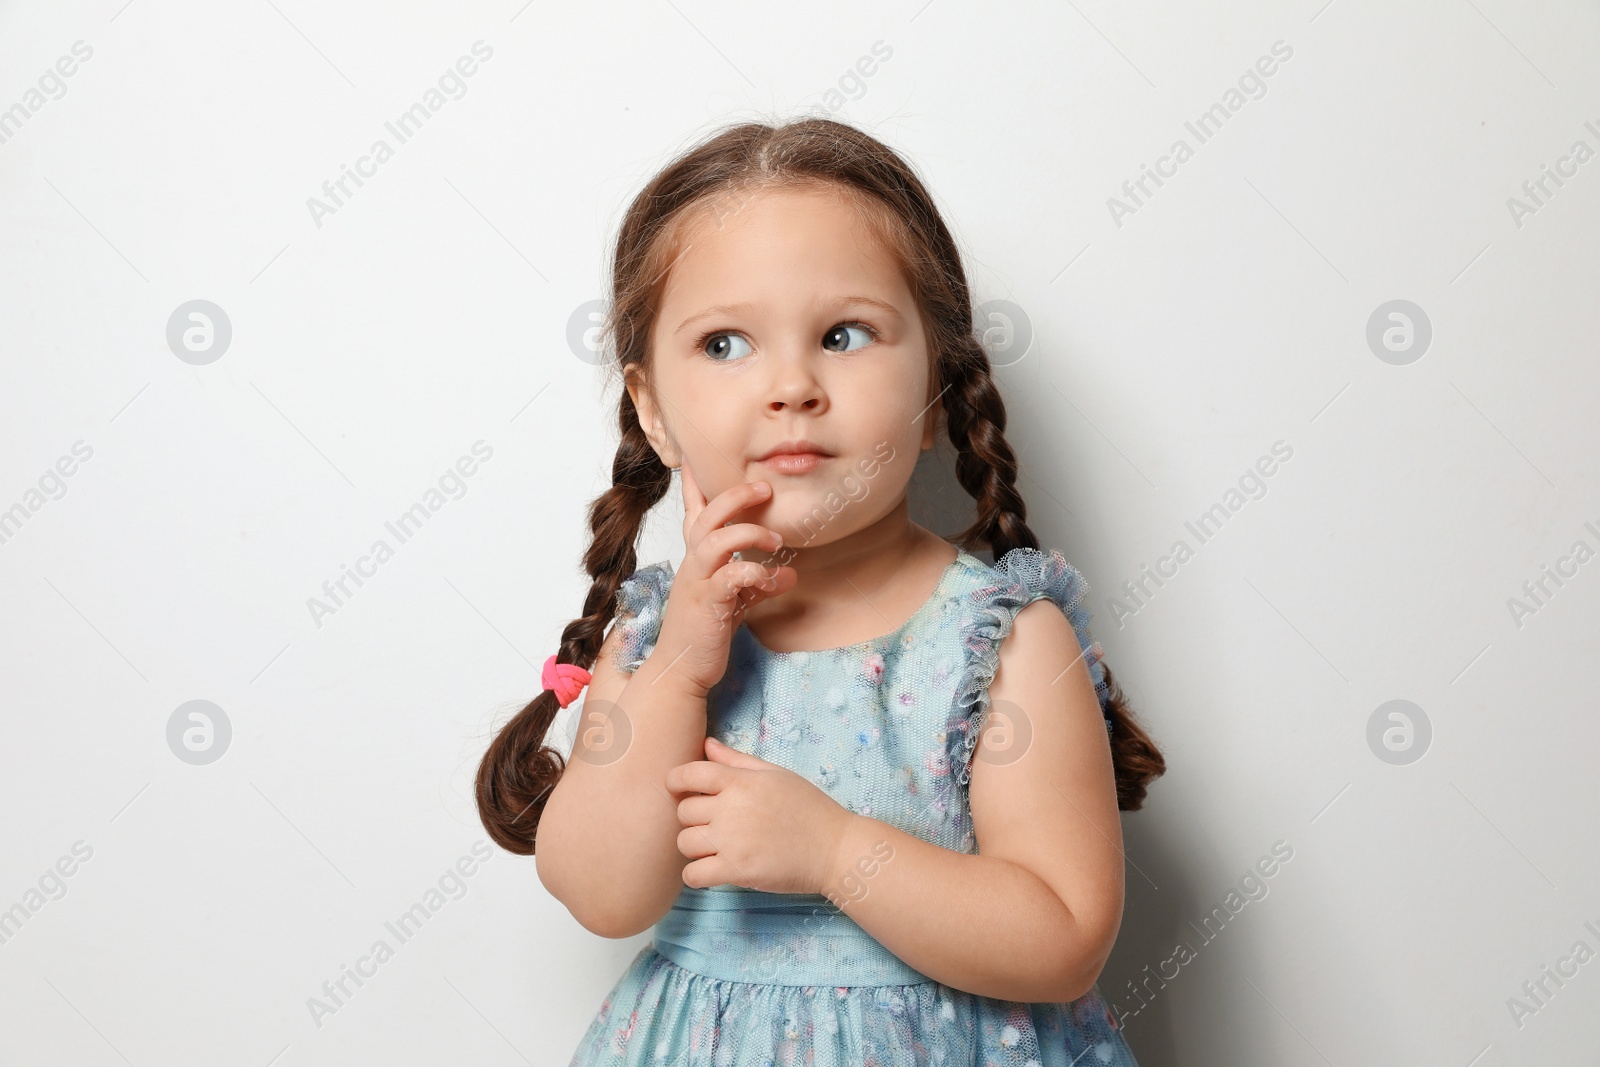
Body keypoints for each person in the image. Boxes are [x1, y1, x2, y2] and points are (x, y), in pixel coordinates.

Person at [476, 115, 1166, 1065]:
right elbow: (601, 892)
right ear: (653, 410)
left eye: (844, 335)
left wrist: (839, 852)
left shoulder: (1001, 638)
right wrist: (681, 665)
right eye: (724, 344)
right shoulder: (650, 640)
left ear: (935, 391)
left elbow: (1063, 938)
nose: (791, 384)